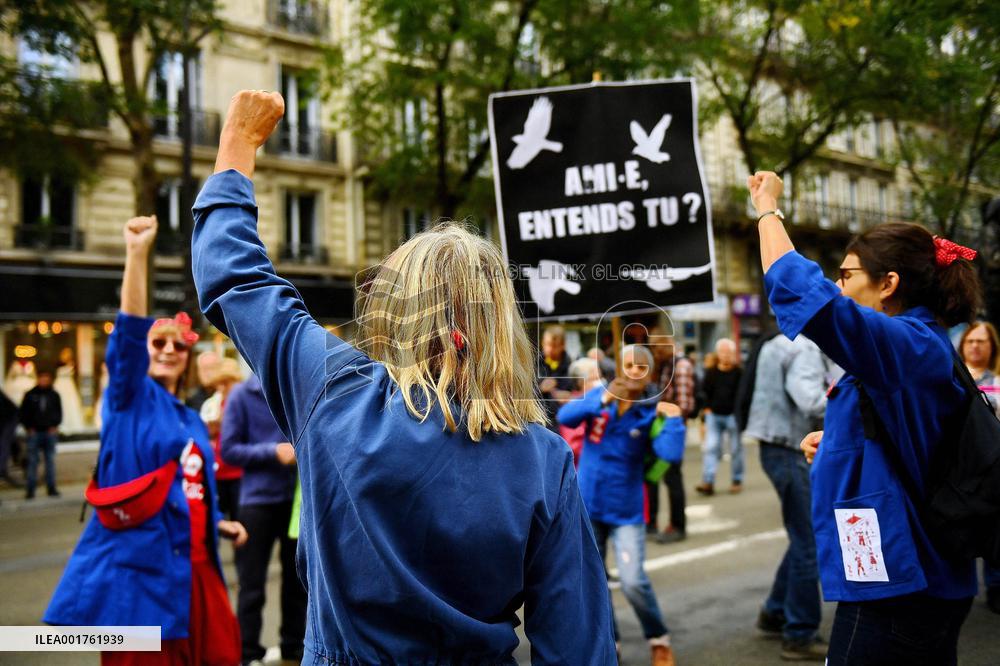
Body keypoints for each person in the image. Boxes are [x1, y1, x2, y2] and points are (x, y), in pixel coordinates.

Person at [192, 90, 614, 664]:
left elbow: (234, 278)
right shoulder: (543, 457)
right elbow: (577, 648)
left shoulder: (335, 393)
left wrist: (236, 146)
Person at [750, 170, 980, 665]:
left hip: (901, 586)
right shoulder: (915, 348)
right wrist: (833, 444)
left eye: (848, 275)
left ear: (888, 284)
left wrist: (767, 208)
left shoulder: (907, 344)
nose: (838, 283)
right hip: (909, 577)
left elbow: (800, 291)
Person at [44, 215, 246, 666]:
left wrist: (217, 522)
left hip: (197, 568)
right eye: (159, 344)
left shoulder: (190, 419)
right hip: (141, 579)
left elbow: (185, 486)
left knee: (221, 656)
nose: (170, 351)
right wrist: (137, 255)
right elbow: (130, 333)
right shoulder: (128, 397)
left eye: (178, 345)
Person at [557, 345, 685, 666]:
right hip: (588, 503)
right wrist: (602, 399)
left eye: (641, 366)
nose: (633, 370)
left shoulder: (651, 409)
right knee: (595, 582)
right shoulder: (602, 394)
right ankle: (609, 644)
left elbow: (670, 455)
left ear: (650, 374)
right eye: (628, 364)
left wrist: (674, 421)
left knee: (632, 580)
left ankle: (658, 639)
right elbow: (564, 417)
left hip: (627, 508)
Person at [743, 334, 828, 661]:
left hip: (776, 445)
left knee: (801, 536)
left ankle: (776, 612)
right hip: (792, 448)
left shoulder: (779, 342)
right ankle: (800, 633)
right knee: (809, 540)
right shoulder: (805, 347)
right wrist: (850, 392)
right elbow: (810, 400)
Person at [221, 373, 305, 665]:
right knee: (252, 583)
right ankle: (247, 652)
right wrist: (272, 452)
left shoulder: (294, 387)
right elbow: (228, 450)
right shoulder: (240, 395)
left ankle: (293, 646)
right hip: (256, 502)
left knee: (297, 582)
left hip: (296, 502)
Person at [956, 321, 1000, 614]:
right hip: (961, 469)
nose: (975, 346)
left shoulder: (998, 380)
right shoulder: (954, 377)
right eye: (970, 341)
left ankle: (996, 588)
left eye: (981, 341)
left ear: (992, 347)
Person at [646, 327, 696, 545]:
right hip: (661, 431)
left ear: (668, 342)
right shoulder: (665, 365)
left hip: (671, 432)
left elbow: (683, 405)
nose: (654, 351)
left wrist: (662, 412)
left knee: (672, 478)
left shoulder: (681, 366)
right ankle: (653, 522)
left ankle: (678, 525)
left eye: (657, 346)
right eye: (652, 347)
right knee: (654, 477)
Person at [696, 338, 743, 495]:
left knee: (736, 449)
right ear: (718, 354)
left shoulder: (739, 373)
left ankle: (737, 479)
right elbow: (704, 393)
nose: (725, 355)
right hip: (714, 415)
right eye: (722, 352)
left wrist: (740, 413)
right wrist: (706, 409)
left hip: (732, 417)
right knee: (711, 448)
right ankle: (708, 482)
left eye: (728, 352)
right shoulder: (711, 372)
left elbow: (742, 395)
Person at [200, 357, 244, 521]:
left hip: (238, 473)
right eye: (220, 383)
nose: (223, 387)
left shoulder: (242, 402)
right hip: (217, 471)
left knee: (239, 521)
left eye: (227, 382)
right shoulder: (213, 403)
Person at [19, 368, 62, 499]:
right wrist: (28, 427)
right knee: (33, 461)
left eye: (46, 378)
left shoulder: (54, 395)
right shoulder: (30, 395)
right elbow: (23, 413)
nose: (44, 381)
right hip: (34, 432)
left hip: (49, 432)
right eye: (42, 378)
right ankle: (30, 489)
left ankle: (51, 488)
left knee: (50, 461)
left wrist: (55, 425)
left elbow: (59, 412)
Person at [559, 357, 604, 466]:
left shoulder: (602, 401)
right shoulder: (573, 407)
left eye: (600, 377)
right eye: (594, 379)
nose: (601, 383)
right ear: (580, 382)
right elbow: (573, 447)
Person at [538, 325, 575, 430]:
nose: (550, 349)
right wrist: (539, 388)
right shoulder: (533, 364)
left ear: (563, 345)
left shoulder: (572, 367)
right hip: (540, 423)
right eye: (547, 344)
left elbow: (580, 394)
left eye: (554, 346)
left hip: (564, 425)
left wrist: (571, 397)